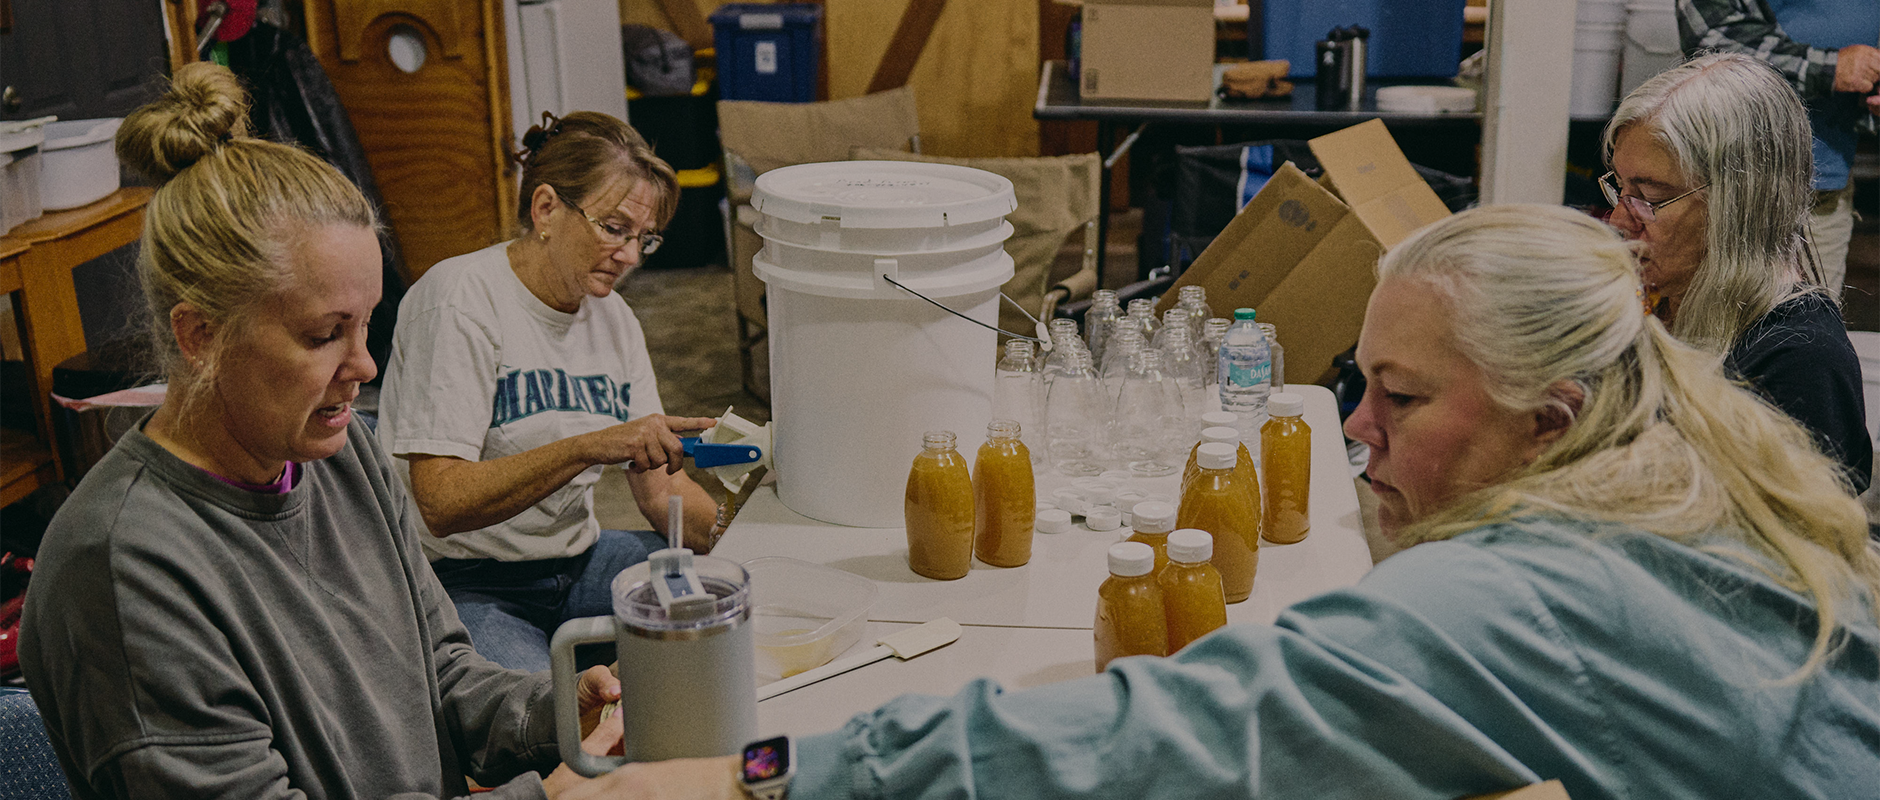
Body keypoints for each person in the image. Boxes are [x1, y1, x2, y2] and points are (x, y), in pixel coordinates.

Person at [562, 205, 1880, 800]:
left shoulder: (1528, 593)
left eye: (1401, 398)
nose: (1353, 429)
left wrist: (751, 778)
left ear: (1553, 418)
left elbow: (1148, 736)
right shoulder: (1699, 488)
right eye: (1359, 385)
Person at [18, 63, 622, 798]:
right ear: (201, 335)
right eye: (324, 335)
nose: (365, 365)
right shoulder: (122, 568)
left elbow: (443, 674)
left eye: (365, 325)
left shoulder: (342, 453)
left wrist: (556, 715)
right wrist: (550, 796)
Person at [375, 111, 725, 672]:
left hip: (578, 560)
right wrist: (589, 446)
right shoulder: (459, 301)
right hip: (465, 580)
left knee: (732, 604)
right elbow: (441, 503)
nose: (631, 256)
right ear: (546, 209)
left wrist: (740, 536)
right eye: (614, 228)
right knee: (544, 711)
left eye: (644, 238)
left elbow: (660, 490)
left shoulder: (614, 319)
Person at [1602, 52, 1871, 493]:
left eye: (1649, 198)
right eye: (1618, 187)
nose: (1618, 220)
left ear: (1738, 203)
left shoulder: (1799, 363)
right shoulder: (1651, 301)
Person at [1677, 0, 1880, 296]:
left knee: (1814, 319)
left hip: (1825, 187)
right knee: (1708, 317)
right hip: (1726, 184)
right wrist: (1827, 68)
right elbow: (1709, 36)